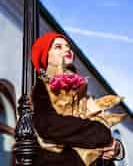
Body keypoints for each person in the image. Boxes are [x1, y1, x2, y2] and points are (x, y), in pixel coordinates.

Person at [31, 32, 124, 166]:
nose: (67, 49)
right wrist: (102, 135)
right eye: (58, 47)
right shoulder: (43, 87)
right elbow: (48, 124)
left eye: (68, 46)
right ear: (46, 56)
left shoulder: (80, 88)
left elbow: (97, 120)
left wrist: (115, 148)